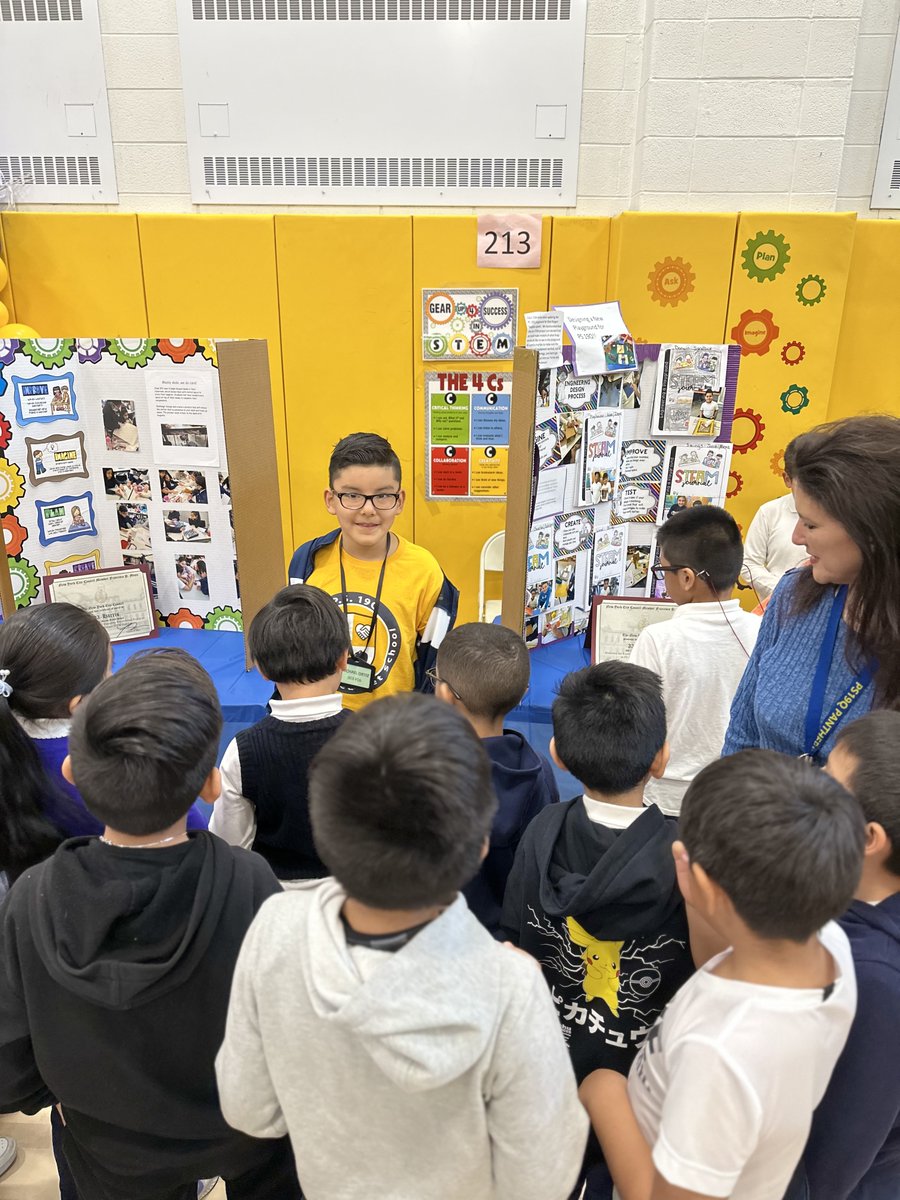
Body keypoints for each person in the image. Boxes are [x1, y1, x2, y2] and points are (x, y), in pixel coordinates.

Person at [215, 693, 588, 1200]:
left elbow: (249, 1108)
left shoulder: (274, 929)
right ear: (480, 844)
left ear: (324, 832)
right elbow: (544, 1176)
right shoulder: (511, 986)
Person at [0, 650, 303, 1200]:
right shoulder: (249, 880)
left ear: (73, 770)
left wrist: (55, 1094)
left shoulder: (31, 896)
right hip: (235, 1123)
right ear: (212, 785)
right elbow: (284, 1021)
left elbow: (11, 1052)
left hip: (103, 1136)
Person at [579, 750, 864, 1200]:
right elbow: (718, 957)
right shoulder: (826, 940)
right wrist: (697, 891)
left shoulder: (719, 1053)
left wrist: (605, 1093)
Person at [500, 661, 693, 1091]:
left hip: (546, 1065)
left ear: (558, 756)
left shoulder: (541, 831)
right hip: (642, 1083)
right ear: (661, 758)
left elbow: (512, 934)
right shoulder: (684, 857)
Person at [724, 415, 900, 760]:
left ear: (873, 532)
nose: (796, 537)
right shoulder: (793, 595)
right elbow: (742, 731)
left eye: (810, 525)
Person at [0, 605, 207, 887]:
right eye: (108, 670)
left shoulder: (10, 738)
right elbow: (193, 835)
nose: (113, 678)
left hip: (32, 897)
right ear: (80, 704)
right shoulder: (107, 757)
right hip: (117, 898)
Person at [796, 712, 900, 1199]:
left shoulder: (878, 983)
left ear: (868, 839)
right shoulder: (843, 893)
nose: (812, 786)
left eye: (831, 785)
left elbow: (828, 1169)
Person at [288, 432, 458, 710]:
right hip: (322, 724)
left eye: (382, 496)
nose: (368, 510)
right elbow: (295, 651)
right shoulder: (307, 563)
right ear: (331, 500)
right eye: (352, 495)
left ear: (400, 500)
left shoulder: (424, 570)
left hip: (393, 730)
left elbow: (432, 663)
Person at [211, 585, 351, 883]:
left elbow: (230, 844)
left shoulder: (244, 749)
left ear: (261, 669)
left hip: (273, 899)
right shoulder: (379, 736)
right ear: (344, 658)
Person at [630, 506, 761, 814]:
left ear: (687, 578)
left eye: (663, 572)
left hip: (667, 801)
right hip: (740, 795)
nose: (663, 581)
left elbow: (636, 723)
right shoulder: (762, 631)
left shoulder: (658, 638)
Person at [432, 623, 558, 934]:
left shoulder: (418, 770)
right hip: (509, 940)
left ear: (445, 694)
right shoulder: (539, 771)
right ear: (522, 694)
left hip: (431, 939)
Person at [740, 480, 807, 599]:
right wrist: (781, 589)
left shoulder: (840, 512)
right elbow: (749, 563)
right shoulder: (769, 512)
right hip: (777, 607)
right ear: (787, 479)